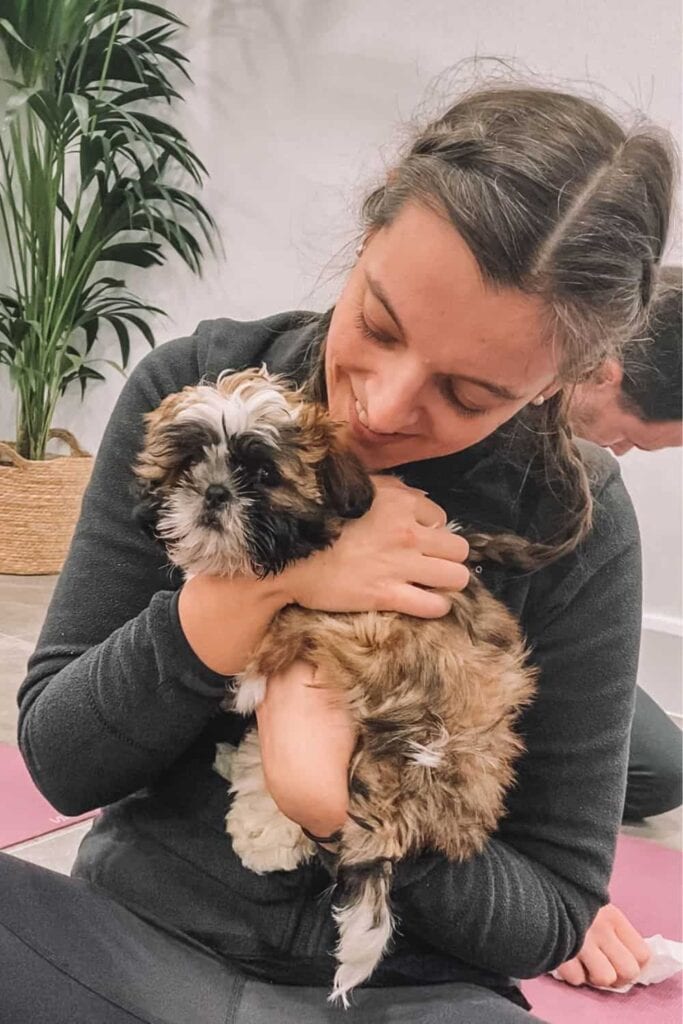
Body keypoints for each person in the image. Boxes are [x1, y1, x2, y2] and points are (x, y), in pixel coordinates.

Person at [3, 82, 677, 1024]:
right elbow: (59, 760)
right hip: (134, 945)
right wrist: (254, 596)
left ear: (563, 379)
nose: (385, 407)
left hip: (405, 993)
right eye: (381, 325)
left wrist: (333, 804)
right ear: (375, 220)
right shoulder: (195, 390)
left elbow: (552, 914)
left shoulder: (579, 520)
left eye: (470, 392)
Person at [554, 268, 682, 989]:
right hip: (468, 646)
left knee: (664, 767)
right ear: (603, 376)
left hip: (534, 635)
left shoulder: (582, 477)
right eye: (632, 439)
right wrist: (556, 887)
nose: (622, 454)